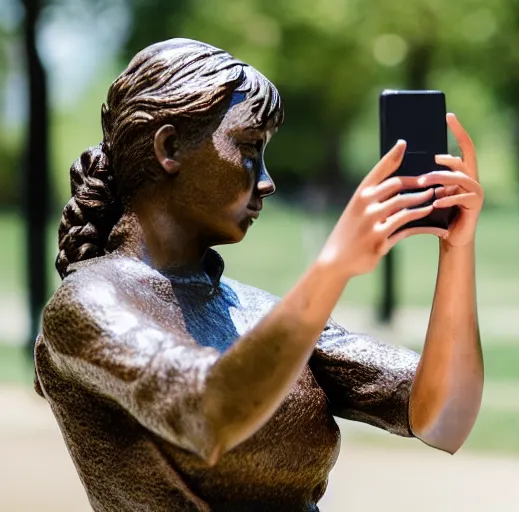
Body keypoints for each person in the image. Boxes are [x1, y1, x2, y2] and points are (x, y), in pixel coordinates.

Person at [33, 38, 484, 512]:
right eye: (250, 147)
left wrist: (457, 248)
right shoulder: (87, 305)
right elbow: (209, 414)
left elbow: (443, 417)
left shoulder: (256, 311)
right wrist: (334, 264)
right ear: (169, 148)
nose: (266, 180)